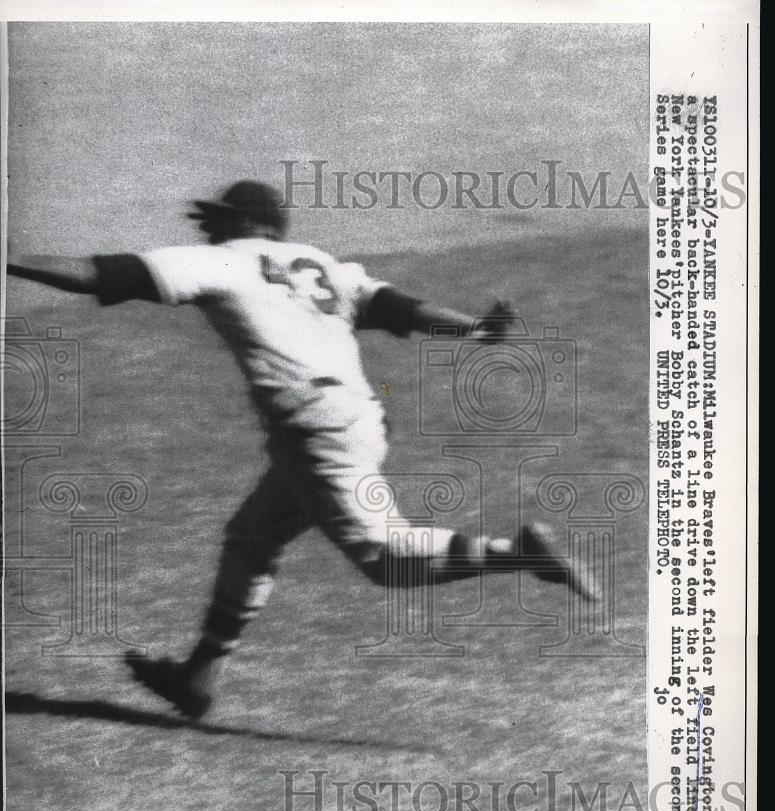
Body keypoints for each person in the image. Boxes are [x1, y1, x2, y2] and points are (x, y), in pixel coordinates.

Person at [7, 179, 597, 719]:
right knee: (253, 537)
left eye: (215, 219)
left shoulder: (221, 261)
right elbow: (397, 307)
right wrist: (473, 328)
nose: (206, 228)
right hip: (352, 420)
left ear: (241, 222)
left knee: (384, 557)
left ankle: (517, 552)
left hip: (316, 431)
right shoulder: (323, 267)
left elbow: (96, 274)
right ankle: (197, 676)